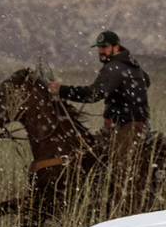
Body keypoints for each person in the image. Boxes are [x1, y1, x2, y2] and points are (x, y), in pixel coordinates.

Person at [48, 30, 153, 213]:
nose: (101, 52)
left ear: (116, 46)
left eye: (104, 47)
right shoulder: (133, 66)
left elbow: (93, 94)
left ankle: (124, 214)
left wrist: (61, 90)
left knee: (120, 173)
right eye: (99, 49)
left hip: (126, 128)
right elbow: (146, 81)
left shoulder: (114, 67)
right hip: (131, 125)